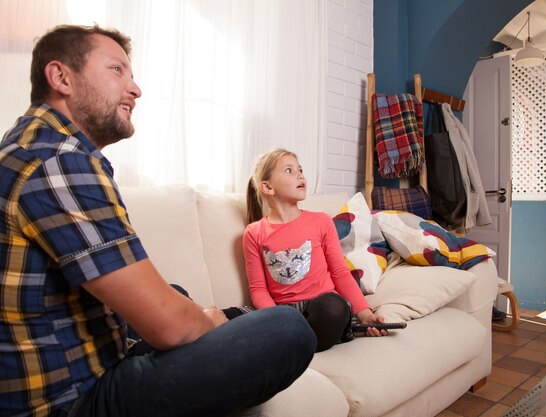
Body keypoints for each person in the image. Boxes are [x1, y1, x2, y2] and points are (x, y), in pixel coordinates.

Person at [0, 25, 316, 417]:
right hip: (70, 401)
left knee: (178, 293)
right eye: (117, 70)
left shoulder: (30, 144)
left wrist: (195, 318)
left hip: (74, 360)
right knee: (287, 330)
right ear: (61, 77)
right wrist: (207, 326)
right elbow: (168, 326)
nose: (135, 89)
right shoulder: (58, 160)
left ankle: (230, 320)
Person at [243, 148, 388, 352]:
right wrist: (276, 319)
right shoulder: (254, 232)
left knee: (333, 308)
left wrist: (365, 314)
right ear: (267, 187)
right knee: (226, 316)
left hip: (321, 307)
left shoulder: (321, 221)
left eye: (300, 169)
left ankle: (286, 347)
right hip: (282, 313)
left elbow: (339, 273)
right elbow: (258, 289)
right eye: (289, 170)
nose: (300, 174)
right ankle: (290, 342)